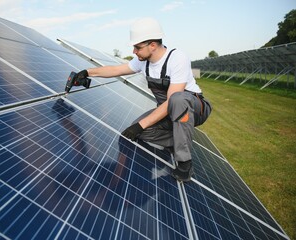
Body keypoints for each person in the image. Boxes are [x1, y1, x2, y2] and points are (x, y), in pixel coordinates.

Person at [71, 17, 212, 182]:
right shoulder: (142, 62)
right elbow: (116, 69)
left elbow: (172, 101)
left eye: (137, 47)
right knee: (137, 132)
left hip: (195, 108)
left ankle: (185, 163)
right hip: (169, 111)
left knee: (176, 101)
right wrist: (87, 72)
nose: (134, 52)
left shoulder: (177, 58)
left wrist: (141, 124)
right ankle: (177, 141)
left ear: (152, 45)